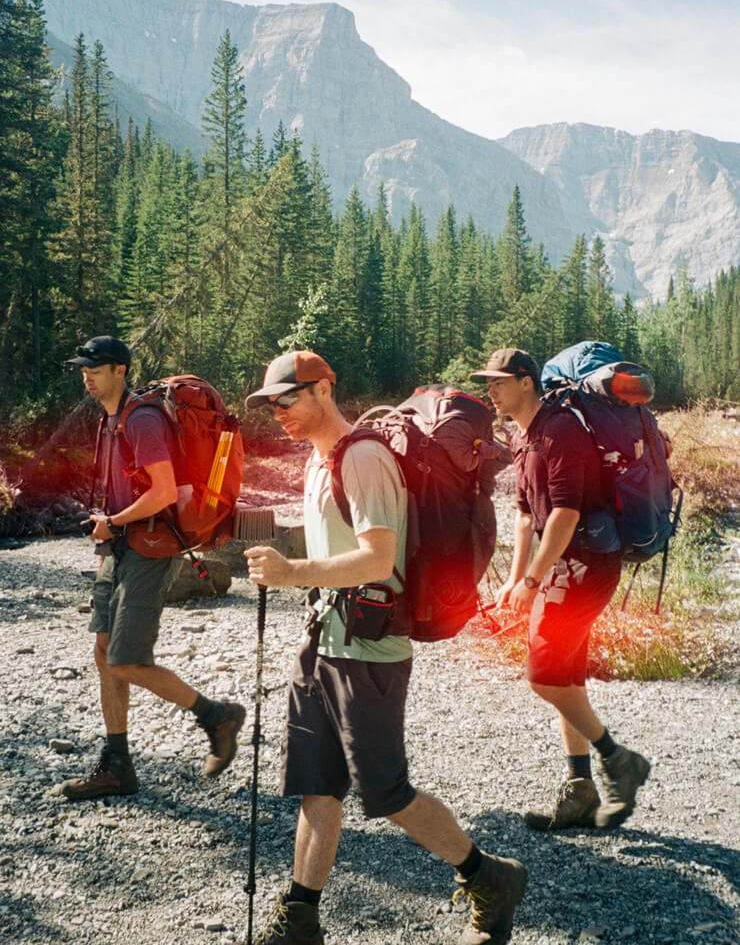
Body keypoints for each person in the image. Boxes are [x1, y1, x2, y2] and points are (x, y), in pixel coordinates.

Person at [244, 350, 526, 945]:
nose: (279, 414)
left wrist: (290, 571)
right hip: (321, 642)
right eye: (273, 406)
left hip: (369, 652)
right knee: (316, 785)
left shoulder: (365, 459)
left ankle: (489, 876)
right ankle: (300, 919)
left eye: (288, 399)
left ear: (324, 388)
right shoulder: (318, 463)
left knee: (386, 793)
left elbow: (378, 559)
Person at [471, 348, 650, 832]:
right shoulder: (526, 435)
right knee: (565, 675)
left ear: (526, 382)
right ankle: (579, 790)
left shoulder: (562, 430)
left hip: (588, 564)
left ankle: (619, 760)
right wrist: (515, 577)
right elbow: (527, 514)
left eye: (499, 382)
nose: (492, 391)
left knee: (543, 674)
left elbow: (567, 514)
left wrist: (533, 579)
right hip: (564, 564)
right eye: (488, 383)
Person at [60, 335, 245, 800]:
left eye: (95, 369)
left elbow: (163, 492)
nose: (87, 376)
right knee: (105, 652)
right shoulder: (111, 419)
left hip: (148, 548)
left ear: (120, 371)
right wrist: (111, 529)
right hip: (121, 547)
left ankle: (216, 715)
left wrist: (113, 524)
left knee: (127, 660)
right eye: (83, 369)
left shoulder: (140, 420)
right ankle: (118, 765)